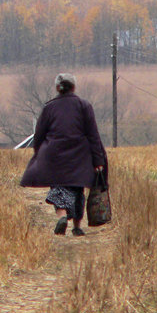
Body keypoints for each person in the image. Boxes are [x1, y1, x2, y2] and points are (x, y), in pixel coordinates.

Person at [20, 72, 107, 236]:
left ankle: (61, 216)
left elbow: (39, 136)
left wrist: (39, 154)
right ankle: (77, 226)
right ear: (73, 87)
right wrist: (98, 160)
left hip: (54, 156)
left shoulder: (49, 107)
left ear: (57, 88)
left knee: (59, 188)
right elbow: (93, 136)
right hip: (79, 156)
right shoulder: (84, 106)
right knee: (77, 190)